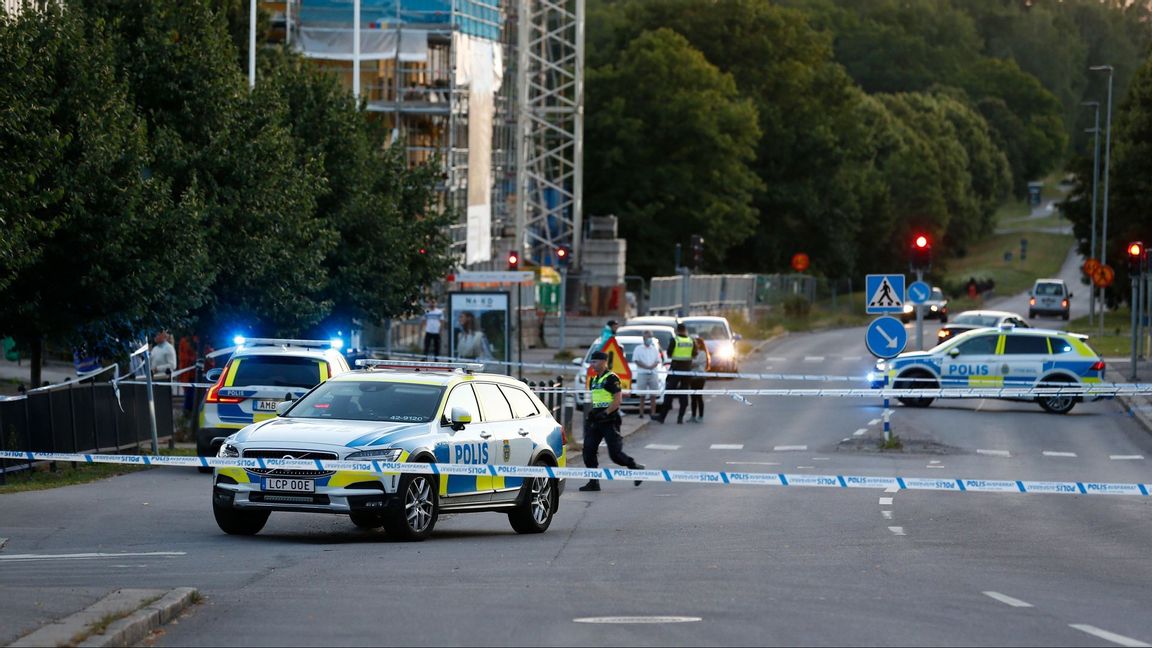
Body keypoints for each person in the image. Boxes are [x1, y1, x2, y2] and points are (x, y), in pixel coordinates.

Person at [578, 350, 645, 492]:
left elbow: (617, 399)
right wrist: (592, 413)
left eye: (595, 362)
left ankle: (635, 467)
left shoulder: (611, 378)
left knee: (615, 455)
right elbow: (596, 400)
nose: (592, 365)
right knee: (588, 451)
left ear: (603, 362)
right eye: (591, 362)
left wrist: (606, 412)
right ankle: (594, 482)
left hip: (610, 419)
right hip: (596, 419)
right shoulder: (594, 380)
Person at [653, 323, 696, 424]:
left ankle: (662, 417)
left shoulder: (675, 340)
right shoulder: (691, 340)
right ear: (685, 330)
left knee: (669, 393)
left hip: (675, 369)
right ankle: (680, 418)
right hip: (687, 371)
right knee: (684, 394)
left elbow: (669, 353)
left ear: (677, 330)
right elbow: (694, 354)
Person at [630, 330, 663, 419]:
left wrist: (651, 367)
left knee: (653, 395)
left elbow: (657, 360)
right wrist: (646, 367)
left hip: (653, 373)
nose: (649, 339)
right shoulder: (638, 349)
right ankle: (641, 413)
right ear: (644, 338)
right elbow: (636, 360)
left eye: (650, 337)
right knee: (642, 395)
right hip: (642, 374)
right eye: (648, 337)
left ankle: (653, 413)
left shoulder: (654, 349)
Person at [688, 336, 710, 423]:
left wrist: (690, 361)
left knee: (698, 396)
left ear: (700, 344)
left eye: (696, 343)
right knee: (693, 397)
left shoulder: (702, 353)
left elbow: (695, 363)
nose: (695, 345)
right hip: (692, 376)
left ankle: (700, 416)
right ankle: (693, 416)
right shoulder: (694, 352)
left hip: (700, 377)